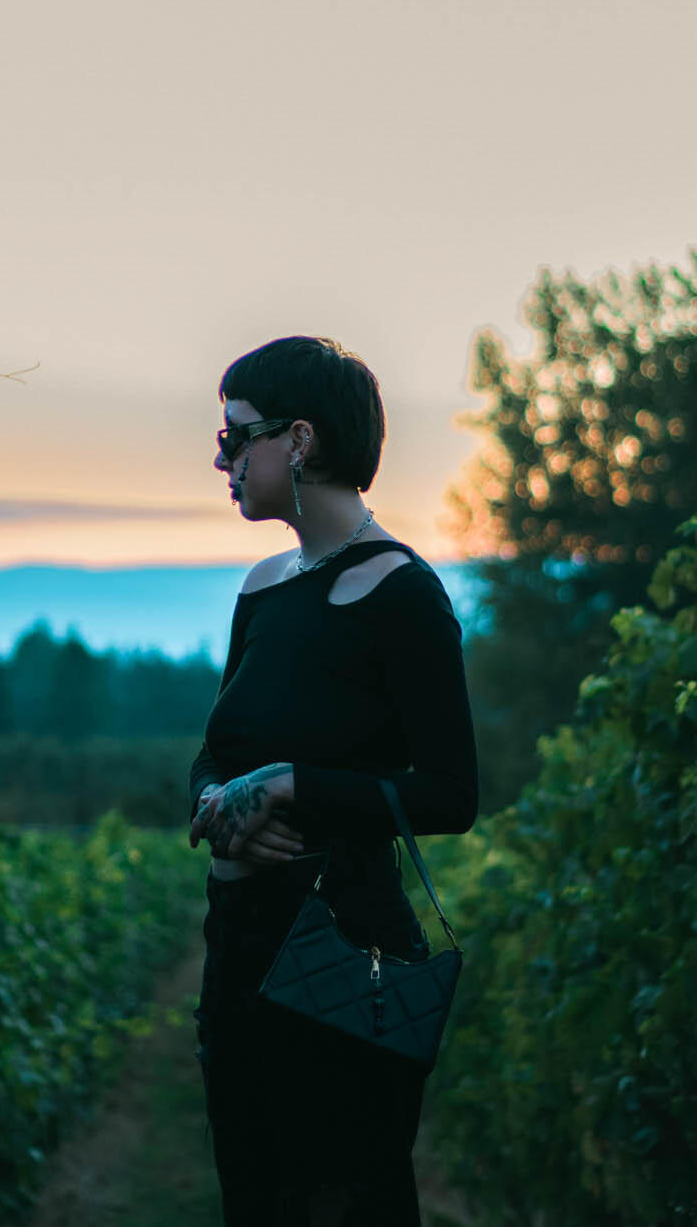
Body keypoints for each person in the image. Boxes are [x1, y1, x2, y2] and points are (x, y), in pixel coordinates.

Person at [186, 335, 479, 1226]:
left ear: (300, 439)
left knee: (348, 1201)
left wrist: (294, 784)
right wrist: (212, 801)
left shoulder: (403, 594)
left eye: (237, 435)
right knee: (254, 1199)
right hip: (238, 945)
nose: (221, 457)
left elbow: (451, 794)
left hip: (346, 952)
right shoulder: (264, 588)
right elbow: (216, 751)